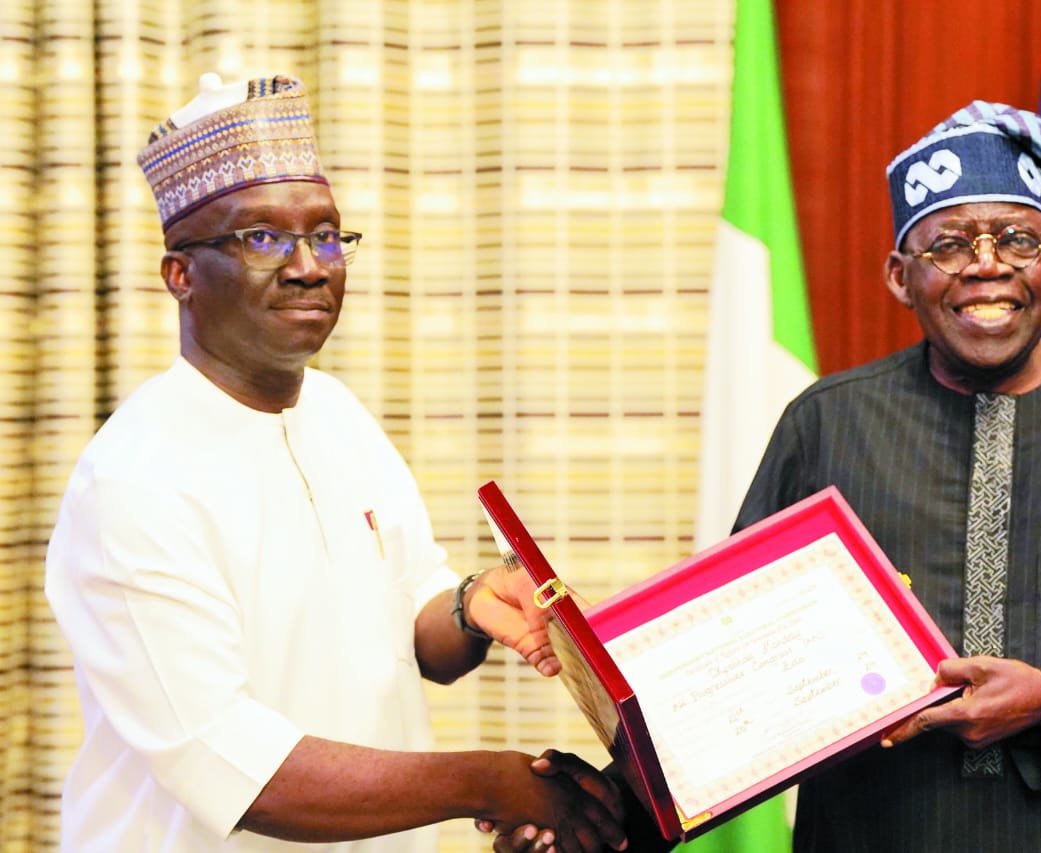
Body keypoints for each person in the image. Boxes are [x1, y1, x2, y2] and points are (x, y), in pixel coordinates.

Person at [492, 100, 1041, 853]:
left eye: (1017, 240)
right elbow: (735, 678)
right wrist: (596, 819)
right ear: (900, 276)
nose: (987, 266)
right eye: (949, 246)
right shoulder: (827, 424)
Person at [43, 72, 628, 853]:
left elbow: (414, 626)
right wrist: (492, 780)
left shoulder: (339, 416)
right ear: (180, 275)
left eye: (325, 234)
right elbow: (240, 768)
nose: (310, 265)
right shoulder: (133, 482)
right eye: (262, 238)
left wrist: (472, 603)